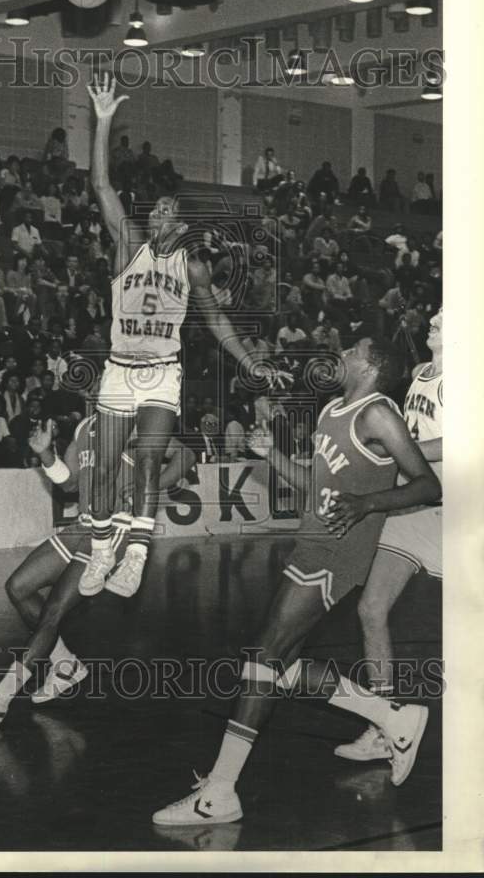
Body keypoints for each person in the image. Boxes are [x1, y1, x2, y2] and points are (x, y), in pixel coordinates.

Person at [153, 336, 442, 826]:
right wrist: (269, 455)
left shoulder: (379, 414)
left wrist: (367, 504)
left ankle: (220, 793)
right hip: (311, 542)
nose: (343, 354)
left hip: (339, 550)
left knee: (265, 657)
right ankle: (395, 716)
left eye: (353, 350)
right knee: (279, 664)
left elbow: (426, 483)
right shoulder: (334, 409)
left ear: (371, 367)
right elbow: (317, 484)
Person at [82, 74, 257, 600]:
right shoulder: (127, 246)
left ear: (178, 221)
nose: (153, 213)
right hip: (118, 368)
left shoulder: (193, 268)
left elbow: (216, 321)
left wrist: (248, 361)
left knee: (151, 461)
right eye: (153, 209)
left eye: (162, 210)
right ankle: (99, 552)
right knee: (105, 464)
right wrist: (104, 120)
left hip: (162, 373)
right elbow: (99, 185)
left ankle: (134, 555)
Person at [0, 416, 195, 726]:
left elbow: (186, 454)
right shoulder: (83, 428)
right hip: (83, 525)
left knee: (53, 610)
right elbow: (69, 482)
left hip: (116, 528)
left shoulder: (134, 425)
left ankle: (0, 699)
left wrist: (150, 485)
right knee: (19, 587)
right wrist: (45, 454)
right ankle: (65, 665)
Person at [335, 310, 443, 762]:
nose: (435, 318)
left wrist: (398, 452)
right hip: (414, 508)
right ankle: (385, 723)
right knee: (371, 609)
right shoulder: (421, 374)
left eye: (444, 318)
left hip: (459, 514)